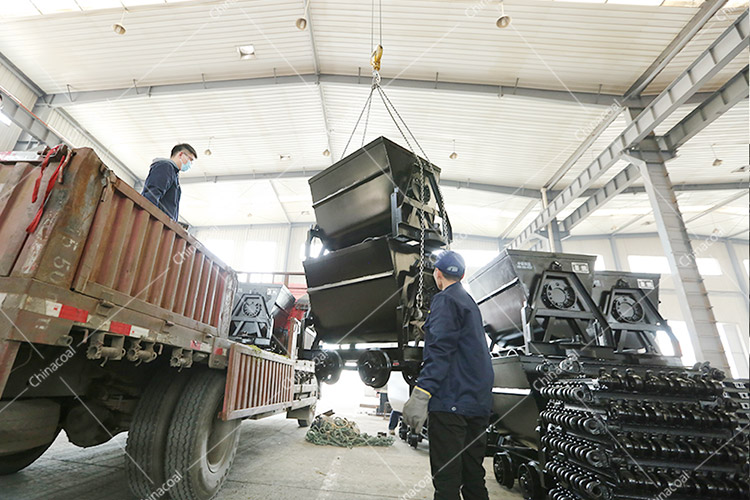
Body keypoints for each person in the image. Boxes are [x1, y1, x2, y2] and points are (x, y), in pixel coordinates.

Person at [402, 250, 494, 500]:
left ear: (437, 274)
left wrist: (421, 395)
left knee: (447, 480)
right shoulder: (469, 303)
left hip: (451, 404)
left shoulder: (444, 301)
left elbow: (440, 352)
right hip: (477, 404)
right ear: (462, 276)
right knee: (473, 477)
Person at [141, 144, 197, 221]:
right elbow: (152, 194)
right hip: (155, 223)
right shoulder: (165, 167)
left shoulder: (174, 174)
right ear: (181, 154)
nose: (190, 164)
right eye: (190, 160)